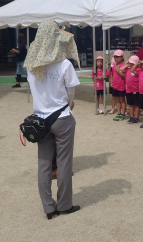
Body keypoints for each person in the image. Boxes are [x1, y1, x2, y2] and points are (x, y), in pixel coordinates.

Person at [24, 21, 80, 219]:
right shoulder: (64, 63)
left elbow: (33, 90)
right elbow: (71, 92)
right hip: (62, 117)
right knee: (64, 163)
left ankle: (48, 207)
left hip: (40, 119)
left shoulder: (31, 63)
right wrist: (68, 103)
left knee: (44, 163)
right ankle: (64, 204)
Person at [123, 56, 141, 124]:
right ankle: (131, 117)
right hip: (128, 90)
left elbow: (133, 70)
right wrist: (128, 65)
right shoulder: (127, 69)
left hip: (135, 90)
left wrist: (136, 64)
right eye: (130, 63)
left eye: (132, 64)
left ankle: (136, 117)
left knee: (136, 104)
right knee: (130, 104)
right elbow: (121, 69)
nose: (131, 65)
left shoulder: (138, 70)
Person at [111, 50, 127, 121]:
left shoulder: (124, 66)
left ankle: (123, 113)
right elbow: (112, 75)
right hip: (115, 86)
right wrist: (111, 82)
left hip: (122, 86)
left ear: (122, 57)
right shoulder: (114, 66)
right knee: (117, 100)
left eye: (118, 57)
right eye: (115, 57)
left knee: (122, 100)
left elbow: (125, 76)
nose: (116, 58)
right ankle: (118, 113)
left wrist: (118, 71)